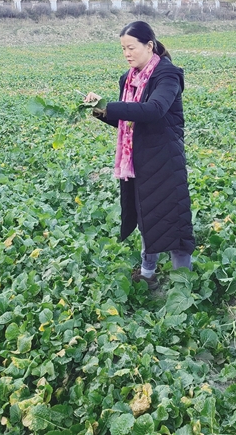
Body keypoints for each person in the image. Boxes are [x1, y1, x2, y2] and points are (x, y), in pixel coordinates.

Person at [85, 20, 195, 291]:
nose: (127, 54)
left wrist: (111, 106)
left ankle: (184, 282)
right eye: (123, 48)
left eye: (131, 47)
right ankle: (148, 274)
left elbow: (154, 110)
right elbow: (128, 122)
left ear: (149, 45)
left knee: (174, 220)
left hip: (165, 161)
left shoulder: (167, 75)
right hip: (137, 162)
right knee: (147, 218)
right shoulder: (128, 79)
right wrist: (100, 111)